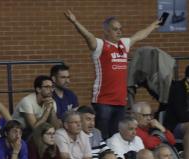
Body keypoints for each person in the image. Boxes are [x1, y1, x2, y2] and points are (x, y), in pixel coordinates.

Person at [64, 10, 160, 138]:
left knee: (116, 136)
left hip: (120, 101)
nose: (119, 32)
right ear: (107, 31)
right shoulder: (100, 45)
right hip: (103, 101)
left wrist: (153, 25)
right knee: (102, 135)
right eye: (115, 29)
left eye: (120, 29)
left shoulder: (123, 44)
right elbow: (88, 36)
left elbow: (139, 35)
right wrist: (75, 22)